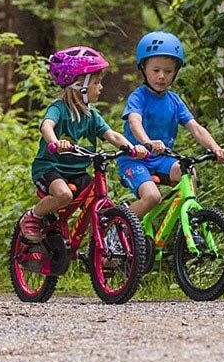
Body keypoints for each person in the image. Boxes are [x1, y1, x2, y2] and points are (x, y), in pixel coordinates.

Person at [19, 46, 149, 242]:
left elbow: (112, 135)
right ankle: (33, 216)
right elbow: (47, 126)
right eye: (96, 82)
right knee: (63, 195)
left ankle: (102, 251)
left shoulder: (91, 115)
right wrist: (55, 142)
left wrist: (131, 148)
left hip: (78, 172)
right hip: (50, 169)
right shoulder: (59, 109)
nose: (101, 87)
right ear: (80, 85)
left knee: (103, 206)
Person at [117, 31, 224, 219]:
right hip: (135, 159)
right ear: (143, 68)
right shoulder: (139, 96)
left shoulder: (174, 101)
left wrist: (216, 149)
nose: (161, 76)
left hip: (162, 159)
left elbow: (196, 128)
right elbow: (134, 121)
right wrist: (147, 142)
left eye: (168, 71)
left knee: (188, 172)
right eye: (156, 70)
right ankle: (117, 226)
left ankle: (188, 224)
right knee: (152, 197)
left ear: (175, 72)